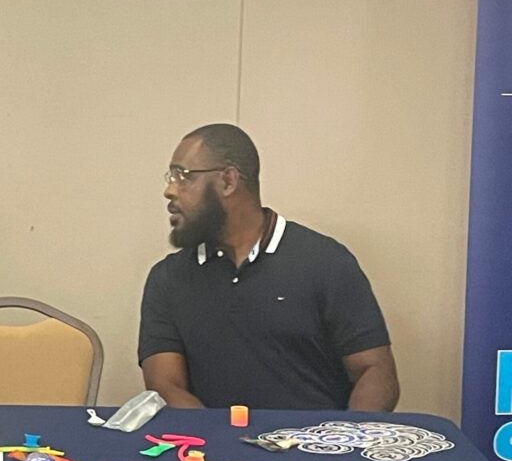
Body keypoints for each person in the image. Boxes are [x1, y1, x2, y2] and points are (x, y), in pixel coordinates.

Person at [138, 123, 399, 411]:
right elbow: (165, 385)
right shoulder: (168, 279)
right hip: (212, 449)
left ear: (228, 181)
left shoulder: (325, 263)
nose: (169, 190)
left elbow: (374, 371)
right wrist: (215, 442)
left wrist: (343, 445)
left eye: (182, 176)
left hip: (312, 448)